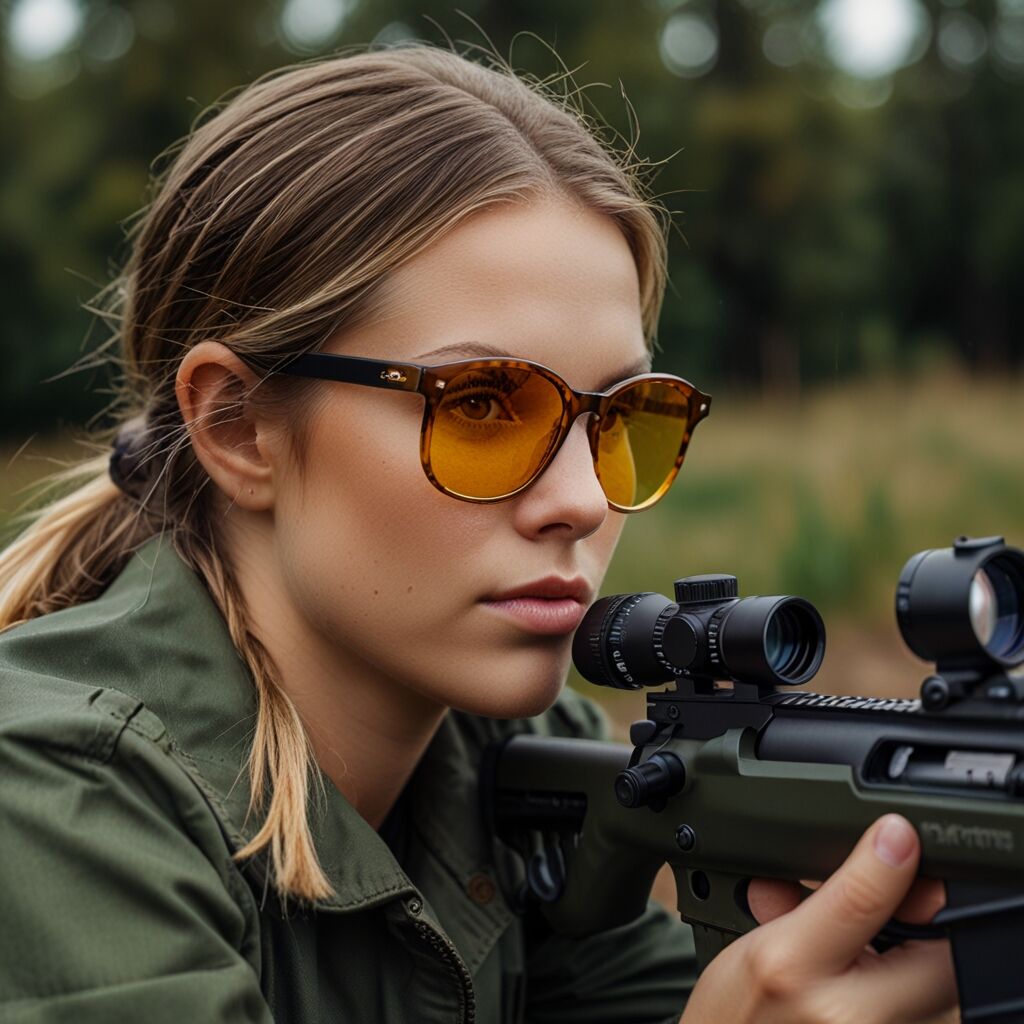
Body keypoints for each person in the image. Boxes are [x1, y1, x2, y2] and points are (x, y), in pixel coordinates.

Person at [0, 42, 957, 1024]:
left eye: (624, 415)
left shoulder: (508, 756)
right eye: (484, 406)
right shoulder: (47, 799)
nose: (583, 500)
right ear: (237, 427)